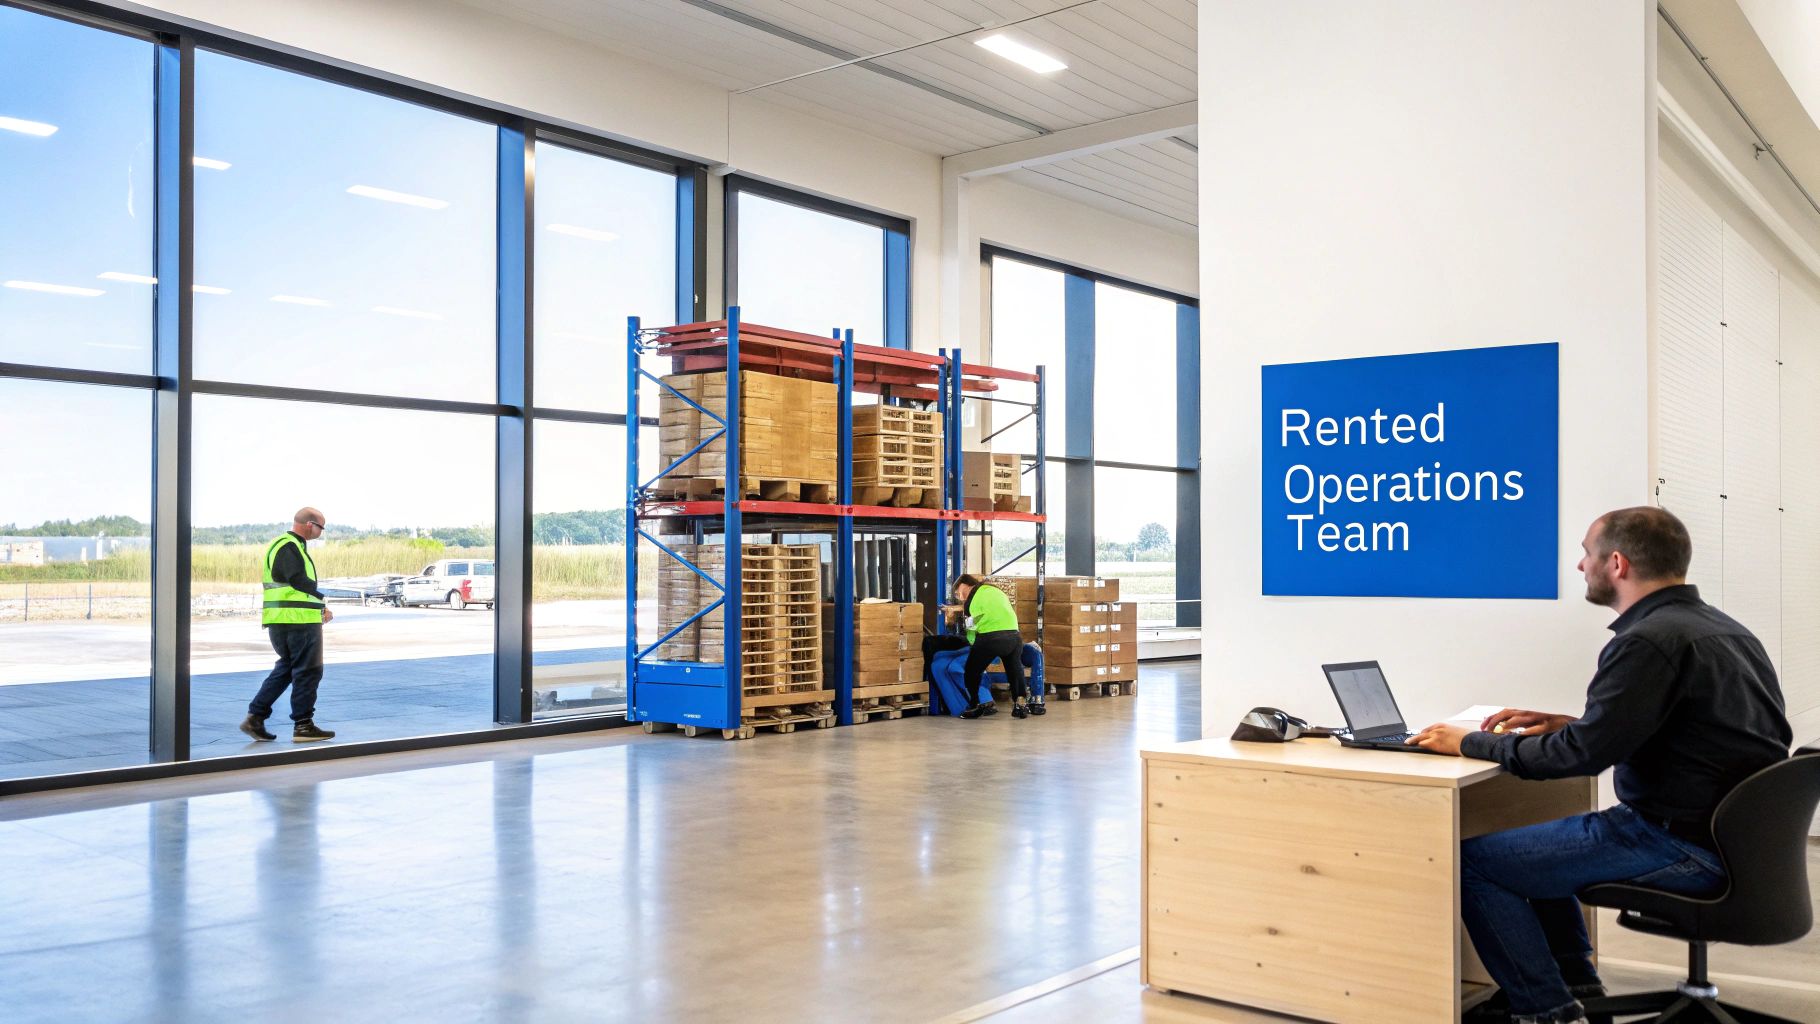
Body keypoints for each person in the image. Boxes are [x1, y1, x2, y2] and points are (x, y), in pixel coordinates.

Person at [1406, 507, 1791, 1024]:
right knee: (1531, 844)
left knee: (1474, 863)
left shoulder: (1647, 641)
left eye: (1587, 554)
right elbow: (1684, 732)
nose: (1580, 566)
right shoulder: (1723, 630)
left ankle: (1547, 1010)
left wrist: (1470, 743)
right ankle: (1577, 981)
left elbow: (1578, 758)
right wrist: (1572, 723)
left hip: (1676, 842)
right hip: (1733, 841)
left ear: (1617, 563)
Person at [240, 508, 338, 743]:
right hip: (298, 620)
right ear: (310, 524)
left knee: (287, 668)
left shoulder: (283, 545)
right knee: (308, 670)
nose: (321, 532)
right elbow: (299, 582)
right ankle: (303, 726)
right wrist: (321, 602)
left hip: (282, 620)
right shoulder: (289, 546)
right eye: (321, 528)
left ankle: (255, 717)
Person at [923, 574, 1035, 719]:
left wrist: (972, 644)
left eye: (958, 591)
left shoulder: (972, 600)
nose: (959, 596)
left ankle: (975, 705)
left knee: (971, 671)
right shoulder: (995, 590)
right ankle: (1020, 704)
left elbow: (971, 630)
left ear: (965, 584)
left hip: (991, 638)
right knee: (1015, 670)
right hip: (1014, 637)